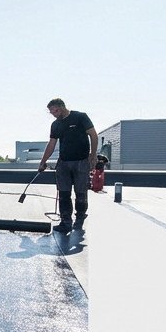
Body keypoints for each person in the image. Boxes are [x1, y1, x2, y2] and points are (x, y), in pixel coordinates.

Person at [38, 98, 98, 232]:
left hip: (81, 161)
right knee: (64, 193)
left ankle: (80, 218)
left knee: (80, 192)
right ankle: (66, 222)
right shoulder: (55, 125)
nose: (53, 114)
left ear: (62, 107)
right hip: (64, 163)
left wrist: (92, 156)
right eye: (51, 112)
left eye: (55, 111)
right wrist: (43, 162)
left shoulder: (80, 117)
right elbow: (51, 144)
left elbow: (93, 136)